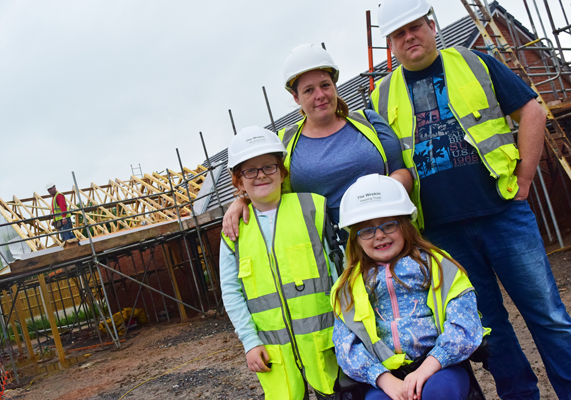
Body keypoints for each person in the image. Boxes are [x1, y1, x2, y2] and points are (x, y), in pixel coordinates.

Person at [370, 1, 571, 398]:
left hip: (502, 214)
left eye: (415, 27)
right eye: (399, 33)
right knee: (487, 327)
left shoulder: (474, 62)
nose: (409, 37)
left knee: (547, 315)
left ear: (431, 25)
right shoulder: (381, 96)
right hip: (441, 234)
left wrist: (525, 178)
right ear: (391, 44)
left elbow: (531, 110)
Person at [222, 43, 412, 240]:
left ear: (334, 86)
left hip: (386, 236)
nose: (320, 95)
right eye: (308, 90)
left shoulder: (368, 122)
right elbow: (267, 189)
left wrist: (377, 196)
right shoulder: (283, 144)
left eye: (325, 85)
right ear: (296, 97)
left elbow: (402, 171)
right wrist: (242, 202)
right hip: (328, 253)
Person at [332, 174, 484, 400]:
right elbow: (346, 347)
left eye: (389, 224)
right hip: (385, 377)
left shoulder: (439, 265)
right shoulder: (347, 287)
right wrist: (384, 379)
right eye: (366, 229)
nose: (379, 235)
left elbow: (465, 324)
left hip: (439, 366)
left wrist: (428, 367)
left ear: (405, 225)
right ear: (355, 239)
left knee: (439, 393)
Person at [220, 126, 341, 399]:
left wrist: (347, 329)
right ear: (238, 182)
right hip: (274, 353)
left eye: (269, 167)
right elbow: (231, 291)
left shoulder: (313, 208)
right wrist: (250, 343)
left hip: (327, 343)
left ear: (282, 172)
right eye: (249, 170)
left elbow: (338, 273)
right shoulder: (233, 231)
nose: (261, 174)